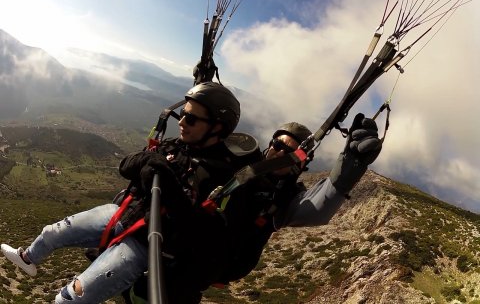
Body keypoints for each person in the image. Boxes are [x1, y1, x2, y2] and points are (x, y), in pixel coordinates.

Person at [1, 82, 260, 304]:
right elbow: (125, 166)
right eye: (182, 114)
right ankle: (28, 258)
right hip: (123, 213)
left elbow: (203, 233)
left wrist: (169, 187)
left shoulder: (222, 177)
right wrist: (143, 162)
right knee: (52, 232)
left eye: (191, 118)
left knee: (75, 295)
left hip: (146, 244)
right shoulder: (175, 146)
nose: (181, 122)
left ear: (216, 128)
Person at [126, 115, 382, 302]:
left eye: (287, 150)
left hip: (192, 272)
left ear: (299, 163)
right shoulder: (238, 164)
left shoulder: (282, 198)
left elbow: (317, 208)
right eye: (276, 144)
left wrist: (350, 166)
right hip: (166, 240)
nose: (277, 150)